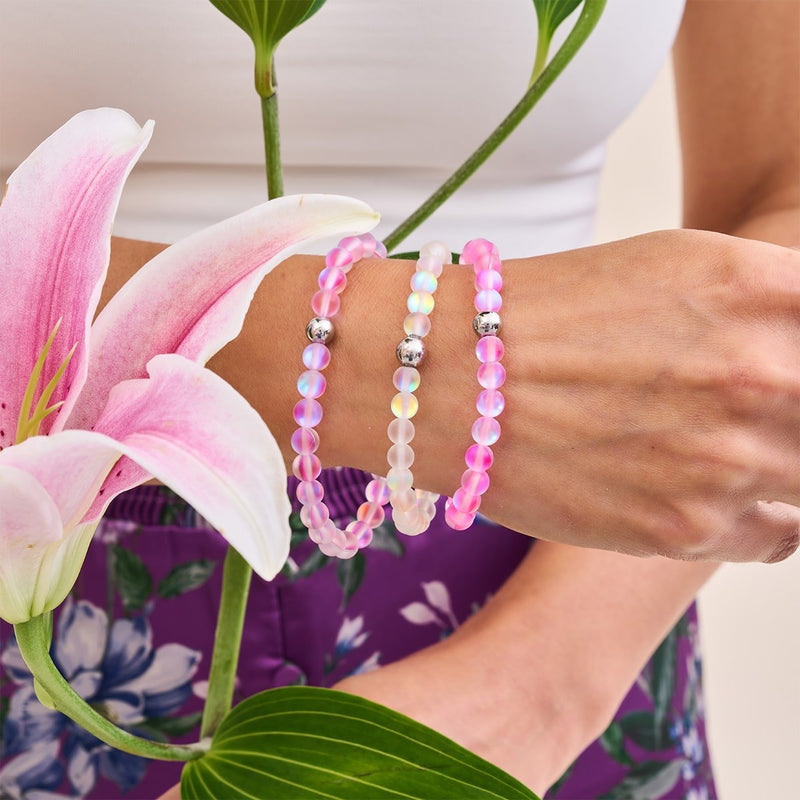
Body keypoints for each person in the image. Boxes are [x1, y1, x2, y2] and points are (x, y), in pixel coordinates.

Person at [0, 1, 797, 798]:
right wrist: (411, 361)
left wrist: (538, 686)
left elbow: (781, 203)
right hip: (46, 543)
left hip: (570, 576)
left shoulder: (556, 665)